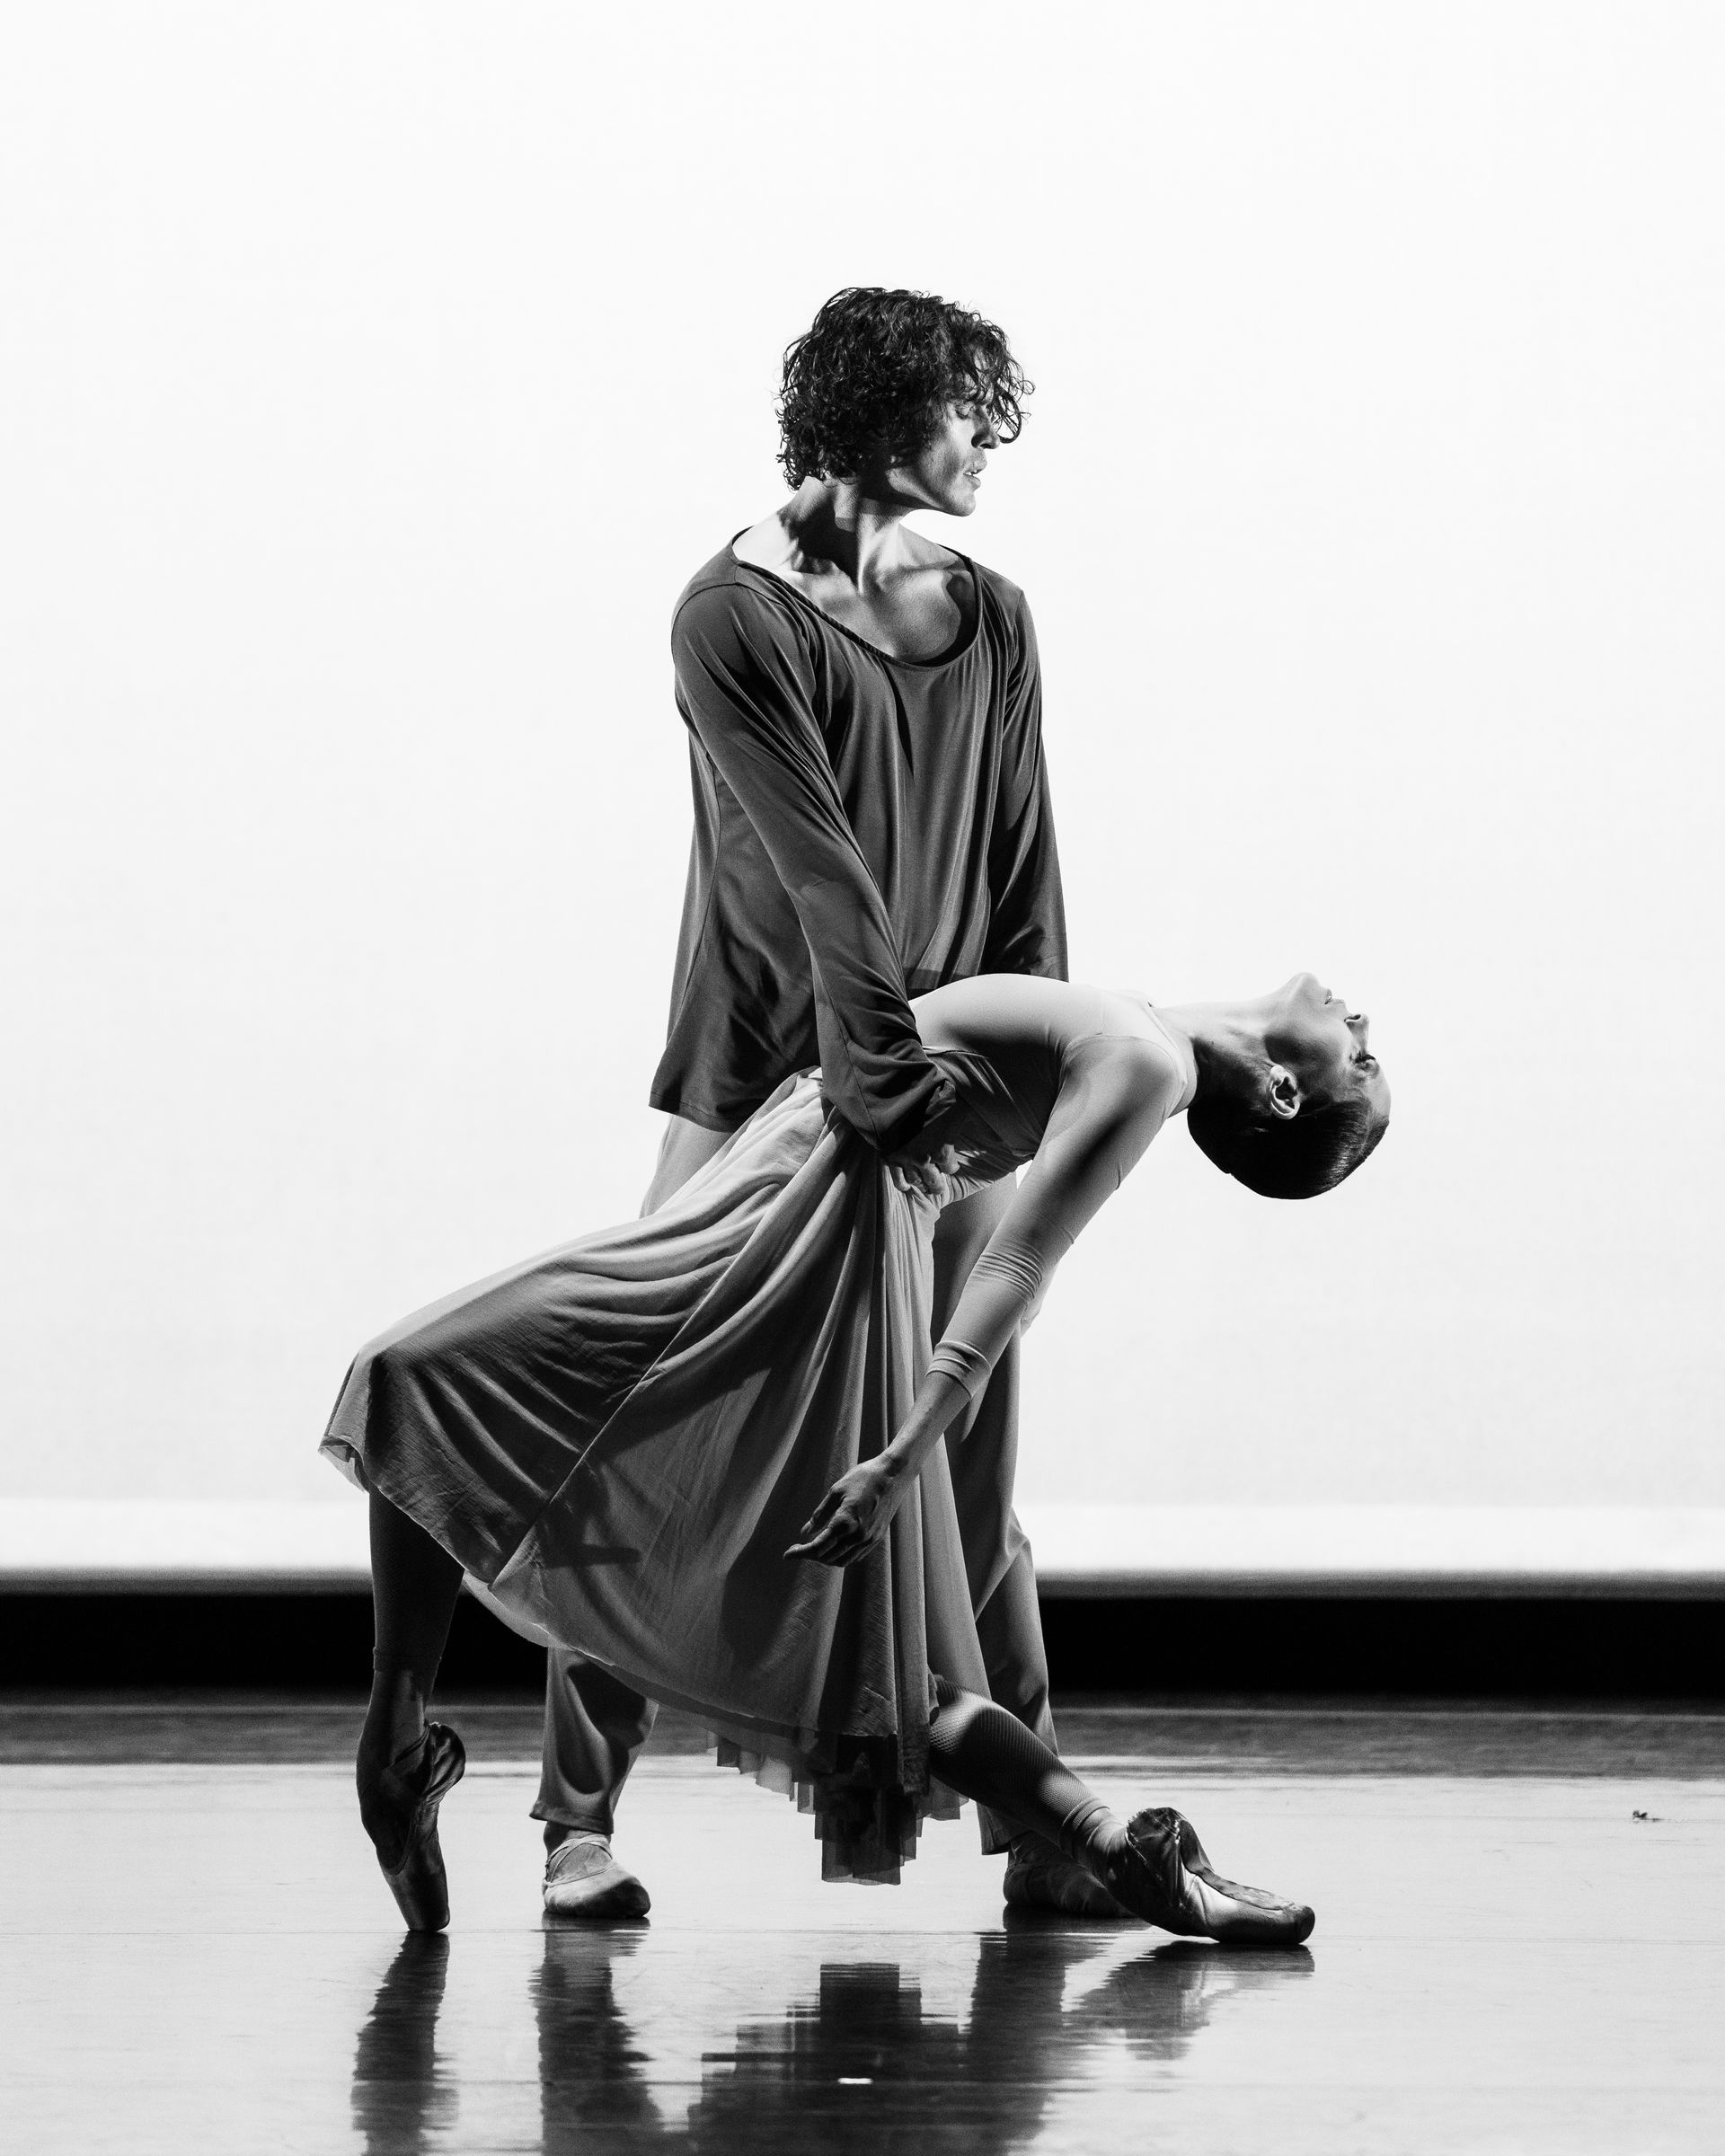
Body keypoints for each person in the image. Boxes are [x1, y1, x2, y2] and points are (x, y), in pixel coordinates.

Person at [323, 968, 1387, 1942]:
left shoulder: (1149, 1065)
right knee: (855, 1671)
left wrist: (901, 1453)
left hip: (797, 1237)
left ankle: (395, 1746)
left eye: (1363, 1057)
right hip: (791, 1203)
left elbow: (1018, 1262)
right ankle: (1119, 1848)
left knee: (413, 1381)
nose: (1363, 1023)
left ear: (1286, 1096)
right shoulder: (1141, 1035)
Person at [535, 286, 1083, 1924]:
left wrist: (1030, 1085)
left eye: (999, 410)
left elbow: (1023, 867)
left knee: (969, 1448)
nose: (989, 441)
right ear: (869, 418)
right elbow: (818, 878)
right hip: (773, 1061)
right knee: (639, 1422)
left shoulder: (992, 615)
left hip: (958, 1081)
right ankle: (576, 1822)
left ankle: (1050, 1841)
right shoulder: (733, 615)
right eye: (962, 409)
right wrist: (875, 1092)